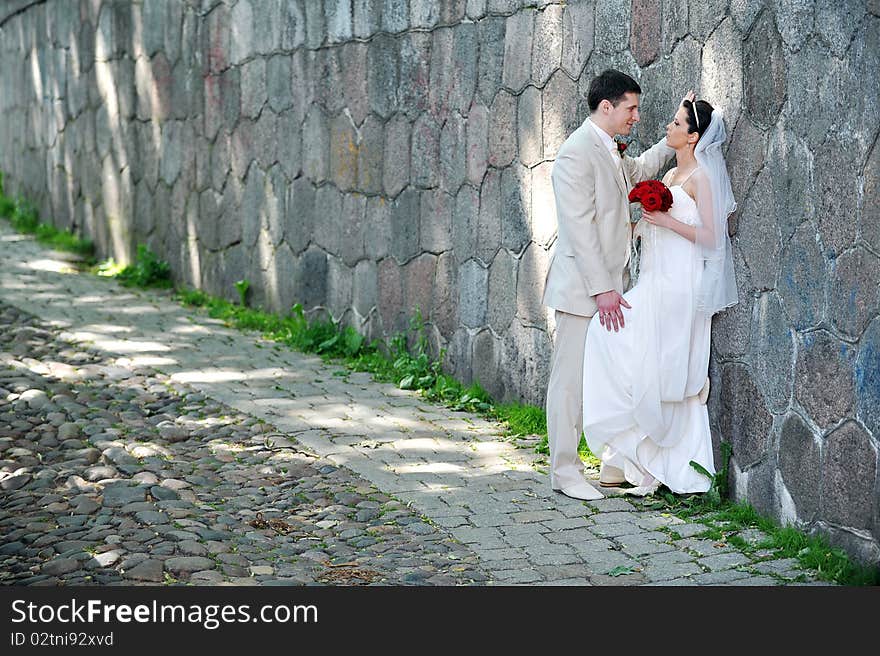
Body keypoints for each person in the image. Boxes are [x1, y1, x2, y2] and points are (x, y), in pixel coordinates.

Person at [581, 95, 738, 497]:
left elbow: (712, 237)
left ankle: (642, 458)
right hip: (653, 279)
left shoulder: (702, 178)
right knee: (610, 337)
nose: (668, 127)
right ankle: (624, 456)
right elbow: (656, 227)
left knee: (656, 363)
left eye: (676, 123)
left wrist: (667, 220)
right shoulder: (668, 178)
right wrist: (641, 227)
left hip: (679, 285)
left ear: (693, 137)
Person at [542, 70, 677, 501]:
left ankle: (611, 465)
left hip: (609, 288)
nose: (636, 116)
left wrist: (674, 139)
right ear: (607, 107)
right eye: (631, 108)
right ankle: (564, 470)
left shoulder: (611, 150)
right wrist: (602, 289)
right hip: (583, 290)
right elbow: (578, 228)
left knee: (606, 379)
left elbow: (637, 171)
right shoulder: (575, 153)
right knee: (569, 383)